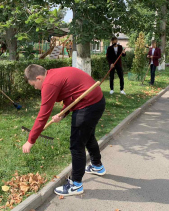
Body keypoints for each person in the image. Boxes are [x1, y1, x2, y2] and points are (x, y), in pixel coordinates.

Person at [22, 64, 106, 196]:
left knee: (77, 145)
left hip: (88, 105)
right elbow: (73, 94)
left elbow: (43, 115)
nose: (35, 88)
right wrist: (62, 113)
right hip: (96, 101)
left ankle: (76, 184)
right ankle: (97, 166)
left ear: (38, 78)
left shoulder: (49, 84)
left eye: (33, 85)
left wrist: (30, 140)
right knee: (88, 136)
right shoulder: (54, 74)